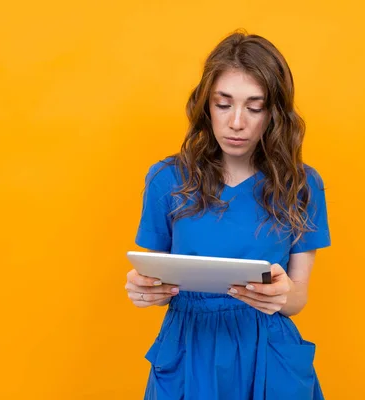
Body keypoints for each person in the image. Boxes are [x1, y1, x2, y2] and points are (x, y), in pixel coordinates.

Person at [125, 31, 331, 400]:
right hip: (189, 351)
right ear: (206, 105)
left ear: (274, 113)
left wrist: (281, 296)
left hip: (268, 356)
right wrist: (144, 290)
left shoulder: (302, 184)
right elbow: (154, 276)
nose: (237, 122)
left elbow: (299, 297)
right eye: (224, 104)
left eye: (254, 107)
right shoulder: (166, 179)